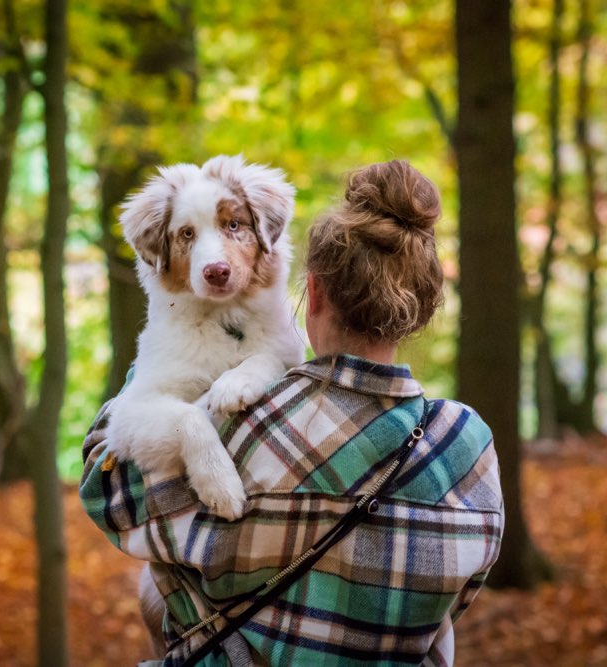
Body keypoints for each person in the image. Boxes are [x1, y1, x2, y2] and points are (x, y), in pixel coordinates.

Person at [80, 159, 504, 666]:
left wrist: (153, 358)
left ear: (315, 292)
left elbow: (105, 491)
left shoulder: (245, 427)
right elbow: (450, 609)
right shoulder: (467, 447)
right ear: (422, 305)